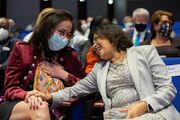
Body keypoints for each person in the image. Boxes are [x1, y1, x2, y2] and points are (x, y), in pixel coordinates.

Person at [28, 23, 179, 120]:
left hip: (153, 113)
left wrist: (144, 105)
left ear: (112, 37)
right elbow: (75, 90)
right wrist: (49, 96)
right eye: (92, 43)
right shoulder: (99, 69)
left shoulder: (145, 53)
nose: (93, 46)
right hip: (120, 116)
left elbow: (168, 89)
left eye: (96, 40)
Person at [0, 9, 86, 120]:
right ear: (47, 29)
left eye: (68, 35)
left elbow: (88, 89)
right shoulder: (22, 49)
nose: (65, 38)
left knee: (43, 107)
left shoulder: (70, 56)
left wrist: (65, 75)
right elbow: (9, 89)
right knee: (40, 106)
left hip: (56, 109)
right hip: (19, 104)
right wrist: (27, 95)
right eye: (61, 32)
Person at [0, 17, 18, 96]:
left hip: (7, 76)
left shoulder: (15, 42)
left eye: (4, 27)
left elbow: (12, 60)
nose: (1, 30)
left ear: (9, 28)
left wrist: (2, 66)